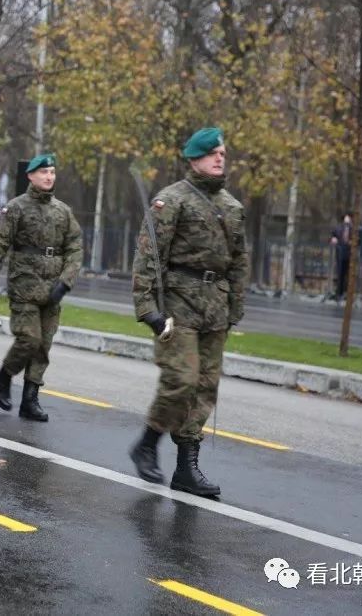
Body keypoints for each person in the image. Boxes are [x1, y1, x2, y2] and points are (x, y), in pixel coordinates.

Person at [129, 127, 247, 498]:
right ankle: (147, 443)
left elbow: (239, 260)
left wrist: (235, 307)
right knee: (181, 379)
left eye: (223, 154)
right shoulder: (171, 200)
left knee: (205, 387)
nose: (219, 159)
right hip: (178, 304)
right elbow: (149, 255)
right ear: (194, 158)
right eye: (212, 153)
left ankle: (186, 468)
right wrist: (147, 307)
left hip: (216, 307)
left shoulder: (232, 206)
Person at [0, 153, 83, 422]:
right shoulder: (15, 208)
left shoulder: (63, 211)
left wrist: (65, 282)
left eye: (52, 172)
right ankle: (3, 377)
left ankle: (30, 400)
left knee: (43, 347)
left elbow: (75, 248)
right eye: (43, 172)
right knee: (29, 339)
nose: (49, 176)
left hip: (53, 290)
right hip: (25, 287)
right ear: (30, 176)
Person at [329, 213, 353, 300]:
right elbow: (333, 235)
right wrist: (333, 238)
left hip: (349, 252)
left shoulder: (353, 228)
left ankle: (345, 292)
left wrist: (352, 242)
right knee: (340, 272)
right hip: (340, 251)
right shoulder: (339, 227)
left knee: (347, 273)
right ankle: (339, 292)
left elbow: (357, 239)